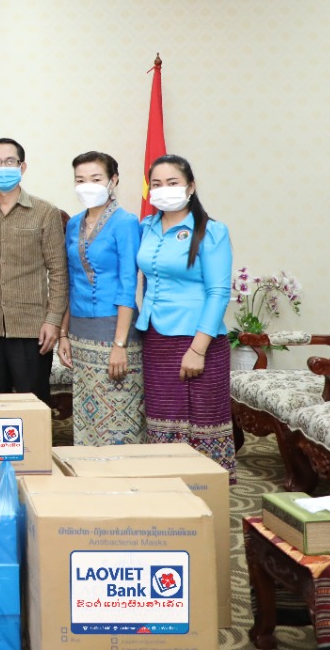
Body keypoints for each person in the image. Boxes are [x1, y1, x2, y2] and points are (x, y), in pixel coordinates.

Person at [135, 154, 235, 482]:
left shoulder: (211, 231)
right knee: (163, 417)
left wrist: (198, 349)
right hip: (155, 337)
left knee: (203, 421)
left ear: (190, 187)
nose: (164, 189)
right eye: (157, 184)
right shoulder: (146, 228)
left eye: (173, 182)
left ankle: (207, 491)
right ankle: (166, 487)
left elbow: (218, 292)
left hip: (198, 338)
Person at [0, 137, 67, 405]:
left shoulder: (45, 212)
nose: (3, 167)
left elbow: (58, 271)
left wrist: (53, 320)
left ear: (22, 167)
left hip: (32, 328)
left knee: (33, 405)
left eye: (9, 161)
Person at [57, 152, 145, 446]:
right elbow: (70, 280)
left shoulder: (125, 222)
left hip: (114, 329)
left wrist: (120, 345)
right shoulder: (74, 224)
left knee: (119, 416)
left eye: (95, 179)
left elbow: (128, 284)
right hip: (80, 331)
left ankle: (122, 471)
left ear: (113, 180)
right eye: (80, 180)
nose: (87, 186)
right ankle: (88, 469)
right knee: (88, 416)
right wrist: (63, 334)